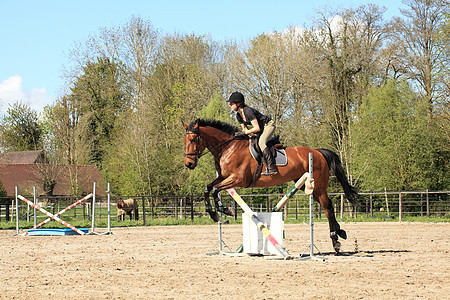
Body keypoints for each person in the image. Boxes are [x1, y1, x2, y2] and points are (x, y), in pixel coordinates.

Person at [226, 91, 277, 175]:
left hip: (268, 125)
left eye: (231, 103)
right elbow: (245, 130)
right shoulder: (238, 116)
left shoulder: (248, 111)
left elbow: (257, 128)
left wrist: (244, 133)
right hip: (260, 129)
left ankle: (272, 168)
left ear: (238, 103)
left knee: (261, 143)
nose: (229, 105)